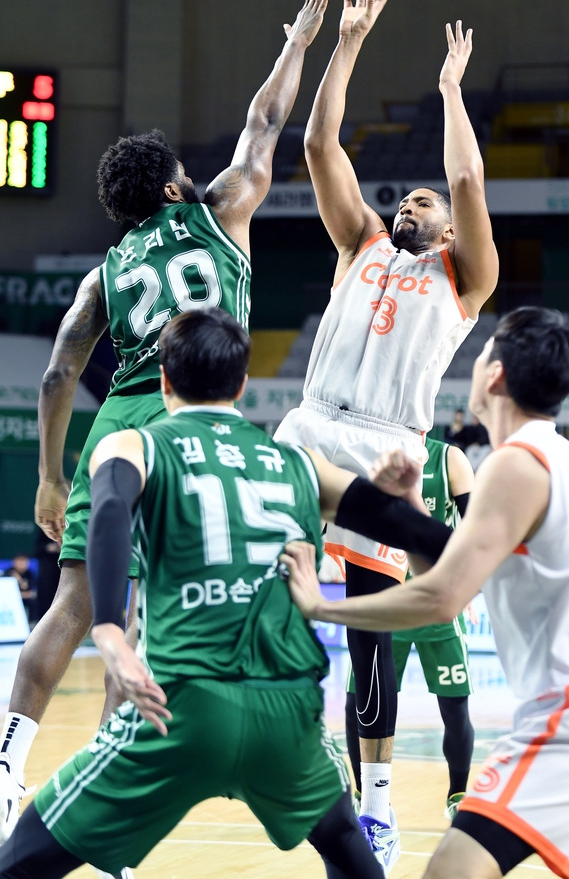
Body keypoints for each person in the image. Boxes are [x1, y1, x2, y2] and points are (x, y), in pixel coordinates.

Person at [0, 0, 329, 863]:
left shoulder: (105, 271)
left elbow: (60, 371)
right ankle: (114, 765)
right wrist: (296, 41)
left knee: (77, 605)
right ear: (180, 180)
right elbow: (264, 125)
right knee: (144, 619)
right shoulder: (221, 212)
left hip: (120, 425)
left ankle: (4, 770)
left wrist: (49, 474)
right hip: (195, 418)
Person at [0, 306, 459, 879]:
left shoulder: (130, 444)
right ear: (242, 385)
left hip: (181, 709)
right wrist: (408, 502)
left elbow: (111, 513)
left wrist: (111, 629)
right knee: (344, 843)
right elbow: (434, 546)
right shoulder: (301, 463)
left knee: (19, 860)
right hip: (288, 717)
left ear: (164, 380)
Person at [282, 306, 569, 879]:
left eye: (481, 354)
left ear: (495, 375)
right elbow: (449, 574)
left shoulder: (515, 464)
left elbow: (441, 600)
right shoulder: (555, 457)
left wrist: (321, 605)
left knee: (451, 870)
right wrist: (410, 511)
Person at [274, 0, 498, 872]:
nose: (409, 206)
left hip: (384, 447)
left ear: (446, 227)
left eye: (422, 202)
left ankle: (375, 808)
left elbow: (469, 177)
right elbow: (318, 142)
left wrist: (449, 92)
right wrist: (349, 41)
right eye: (402, 200)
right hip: (309, 428)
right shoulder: (359, 243)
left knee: (371, 643)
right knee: (244, 568)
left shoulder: (461, 278)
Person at [345, 437, 475, 822]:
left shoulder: (450, 457)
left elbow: (473, 528)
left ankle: (458, 794)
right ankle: (362, 795)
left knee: (455, 706)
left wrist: (465, 577)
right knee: (358, 702)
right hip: (385, 598)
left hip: (436, 604)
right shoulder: (364, 448)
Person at [1, 556, 37, 625]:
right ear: (14, 562)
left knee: (33, 601)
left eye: (24, 562)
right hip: (9, 599)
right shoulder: (8, 573)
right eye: (19, 561)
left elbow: (32, 592)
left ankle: (32, 623)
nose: (22, 564)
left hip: (24, 598)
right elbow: (5, 592)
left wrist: (20, 581)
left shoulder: (29, 574)